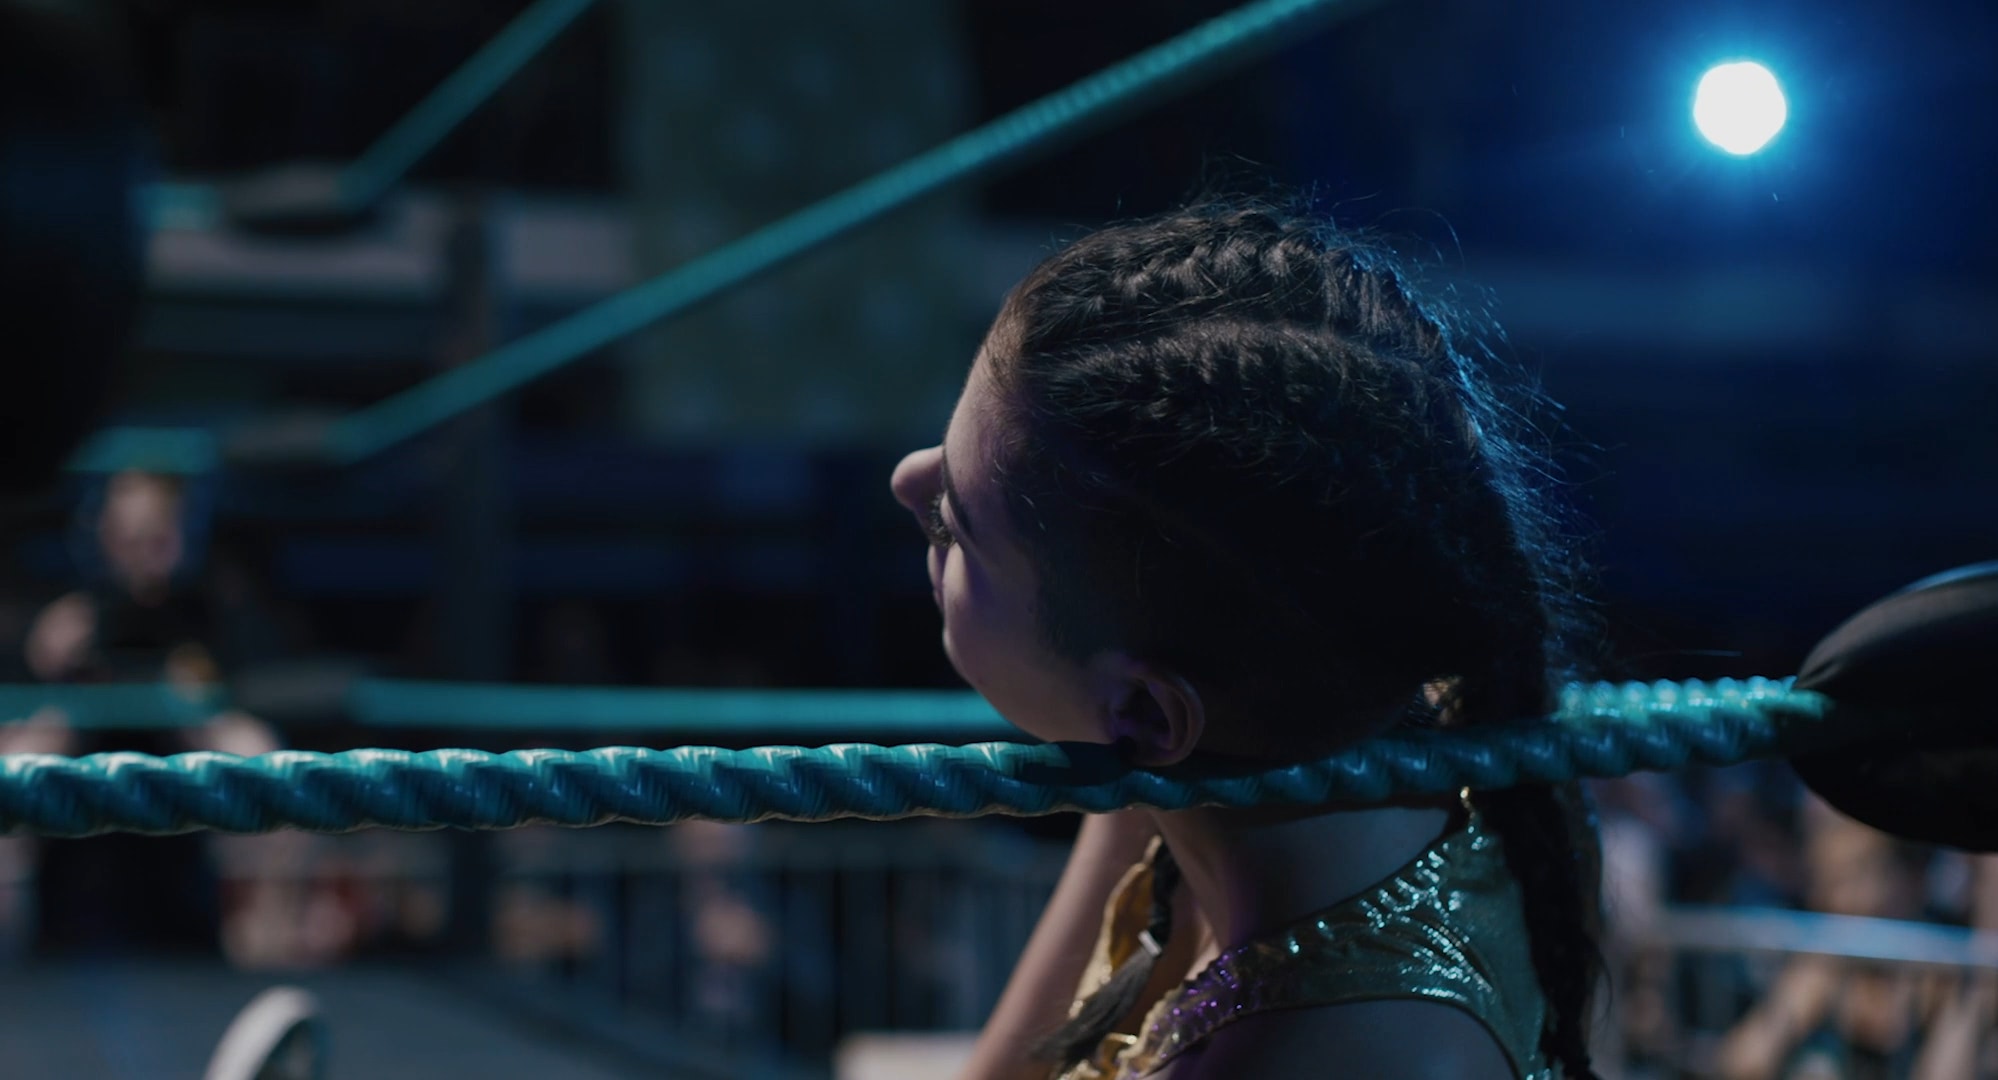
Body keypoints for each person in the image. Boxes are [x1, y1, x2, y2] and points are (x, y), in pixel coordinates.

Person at [892, 200, 1601, 1079]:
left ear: (1150, 711)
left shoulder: (1323, 1055)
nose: (904, 479)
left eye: (955, 526)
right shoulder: (1357, 739)